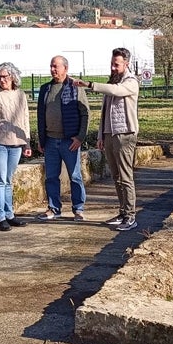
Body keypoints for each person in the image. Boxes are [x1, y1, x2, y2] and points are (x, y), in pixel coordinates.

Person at [71, 47, 140, 231]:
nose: (113, 67)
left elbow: (115, 91)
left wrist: (89, 84)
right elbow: (105, 114)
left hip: (125, 134)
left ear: (126, 64)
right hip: (110, 135)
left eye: (116, 64)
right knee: (116, 177)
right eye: (112, 63)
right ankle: (123, 212)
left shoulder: (131, 82)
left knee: (126, 177)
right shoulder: (114, 81)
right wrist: (101, 135)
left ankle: (131, 216)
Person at [36, 55, 90, 221]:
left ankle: (78, 209)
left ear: (65, 69)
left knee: (75, 176)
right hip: (50, 141)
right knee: (51, 177)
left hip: (70, 141)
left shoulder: (75, 88)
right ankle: (54, 209)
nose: (53, 70)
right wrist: (41, 138)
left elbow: (85, 113)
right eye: (51, 66)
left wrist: (80, 137)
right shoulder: (45, 89)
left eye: (56, 67)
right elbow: (40, 115)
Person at [0, 62, 33, 232]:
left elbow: (25, 119)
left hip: (16, 143)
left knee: (9, 180)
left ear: (13, 77)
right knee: (0, 179)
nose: (2, 80)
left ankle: (10, 215)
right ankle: (0, 217)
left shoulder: (20, 95)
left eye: (5, 76)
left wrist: (27, 142)